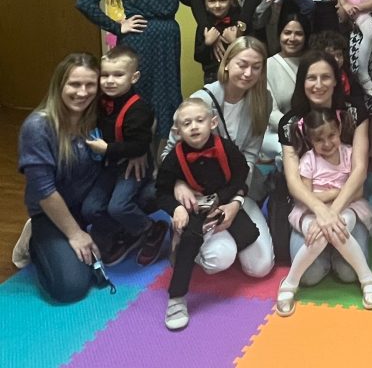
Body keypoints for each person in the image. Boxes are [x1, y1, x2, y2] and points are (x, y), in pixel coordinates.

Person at [161, 37, 274, 273]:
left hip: (235, 188)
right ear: (227, 63)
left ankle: (226, 235)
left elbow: (250, 156)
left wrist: (235, 201)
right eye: (242, 64)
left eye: (256, 67)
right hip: (200, 195)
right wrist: (179, 184)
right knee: (220, 259)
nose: (248, 73)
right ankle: (186, 239)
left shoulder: (262, 100)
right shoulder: (202, 100)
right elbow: (168, 154)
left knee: (260, 267)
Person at [76, 0, 184, 138]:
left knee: (168, 95)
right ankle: (135, 150)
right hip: (140, 40)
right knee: (140, 94)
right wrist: (117, 27)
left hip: (168, 37)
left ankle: (164, 150)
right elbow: (85, 1)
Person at [158, 98, 257, 330]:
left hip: (224, 202)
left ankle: (214, 242)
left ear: (212, 123)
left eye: (199, 121)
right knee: (190, 241)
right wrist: (176, 208)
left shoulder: (226, 147)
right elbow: (160, 192)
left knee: (249, 235)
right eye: (187, 123)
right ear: (177, 131)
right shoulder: (174, 158)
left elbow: (241, 174)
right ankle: (176, 297)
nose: (194, 127)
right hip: (194, 208)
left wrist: (224, 200)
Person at [279, 51, 372, 287]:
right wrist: (321, 211)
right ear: (302, 82)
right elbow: (294, 182)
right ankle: (324, 248)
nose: (318, 85)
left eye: (326, 77)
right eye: (312, 78)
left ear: (336, 81)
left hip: (349, 202)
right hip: (310, 205)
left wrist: (334, 213)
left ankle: (341, 250)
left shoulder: (354, 112)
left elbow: (359, 169)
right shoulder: (290, 122)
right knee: (309, 276)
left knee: (349, 273)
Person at [276, 109, 372, 314]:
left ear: (339, 129)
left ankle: (289, 285)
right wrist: (334, 194)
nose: (326, 143)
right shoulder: (309, 160)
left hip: (347, 208)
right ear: (310, 140)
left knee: (338, 226)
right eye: (319, 139)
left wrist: (329, 201)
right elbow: (306, 197)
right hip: (310, 212)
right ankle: (366, 278)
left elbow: (357, 192)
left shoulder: (349, 154)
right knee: (322, 234)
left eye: (331, 135)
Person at [18, 54, 103, 302]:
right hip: (51, 211)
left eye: (90, 85)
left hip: (88, 205)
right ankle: (34, 242)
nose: (82, 92)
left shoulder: (96, 117)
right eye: (74, 84)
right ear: (59, 85)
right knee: (72, 287)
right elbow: (44, 191)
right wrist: (75, 234)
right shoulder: (38, 127)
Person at [81, 46, 166, 267]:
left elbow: (140, 146)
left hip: (133, 166)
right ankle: (125, 232)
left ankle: (151, 229)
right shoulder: (101, 101)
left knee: (118, 207)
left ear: (134, 77)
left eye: (118, 75)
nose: (110, 81)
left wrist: (107, 149)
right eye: (105, 75)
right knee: (90, 209)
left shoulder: (139, 109)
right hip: (111, 165)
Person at [267, 13, 311, 137]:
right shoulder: (267, 66)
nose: (292, 38)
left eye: (298, 34)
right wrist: (299, 131)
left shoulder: (314, 63)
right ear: (279, 34)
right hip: (281, 134)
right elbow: (271, 113)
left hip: (316, 132)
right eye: (287, 33)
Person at [194, 0, 241, 84]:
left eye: (222, 0)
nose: (217, 5)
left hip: (240, 73)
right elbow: (198, 57)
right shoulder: (204, 25)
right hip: (212, 76)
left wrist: (235, 42)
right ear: (205, 1)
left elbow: (252, 53)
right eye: (212, 1)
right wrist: (207, 43)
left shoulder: (240, 21)